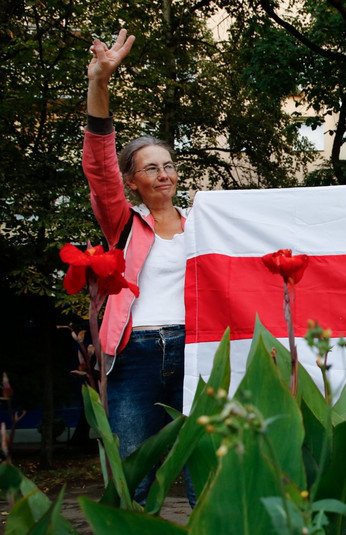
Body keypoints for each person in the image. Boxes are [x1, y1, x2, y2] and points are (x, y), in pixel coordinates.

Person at [84, 29, 193, 505]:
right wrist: (100, 83)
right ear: (132, 180)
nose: (163, 173)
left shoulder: (206, 228)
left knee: (203, 465)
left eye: (168, 164)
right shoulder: (125, 225)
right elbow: (99, 167)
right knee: (134, 474)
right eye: (150, 167)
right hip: (137, 355)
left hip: (197, 351)